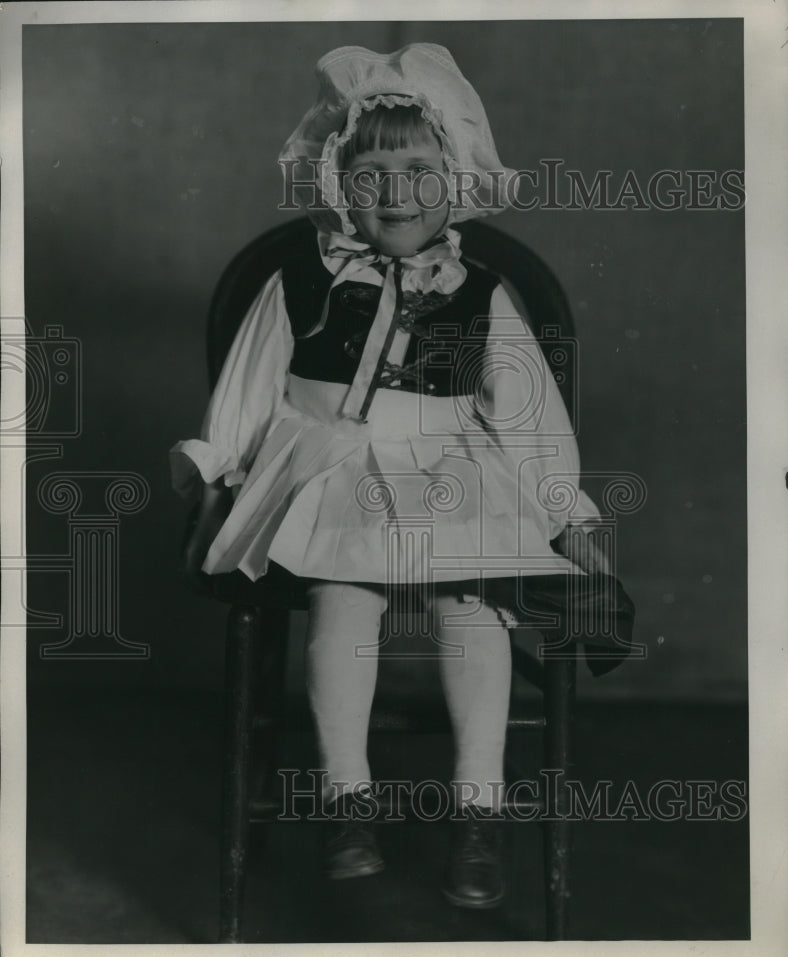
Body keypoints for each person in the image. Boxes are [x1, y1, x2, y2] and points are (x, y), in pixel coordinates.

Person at [171, 43, 609, 910]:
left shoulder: (479, 291)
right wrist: (214, 468)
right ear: (339, 180)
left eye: (417, 169)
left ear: (454, 179)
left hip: (451, 465)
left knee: (472, 606)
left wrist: (567, 508)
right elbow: (252, 384)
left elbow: (526, 414)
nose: (396, 194)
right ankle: (347, 801)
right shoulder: (299, 275)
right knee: (344, 595)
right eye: (372, 173)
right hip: (329, 464)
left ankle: (478, 812)